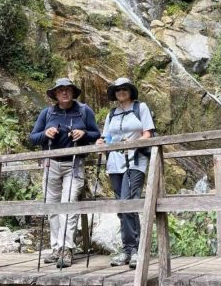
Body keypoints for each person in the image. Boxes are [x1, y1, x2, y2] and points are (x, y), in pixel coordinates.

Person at [29, 77, 100, 268]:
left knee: (68, 205)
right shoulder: (48, 113)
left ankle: (67, 249)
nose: (64, 93)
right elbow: (33, 137)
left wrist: (84, 134)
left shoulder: (84, 111)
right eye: (60, 90)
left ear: (73, 92)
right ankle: (56, 248)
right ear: (55, 94)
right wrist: (46, 134)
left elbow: (96, 135)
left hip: (74, 165)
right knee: (52, 207)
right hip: (51, 164)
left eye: (68, 89)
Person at [96, 77, 155, 269]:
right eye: (117, 89)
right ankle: (128, 249)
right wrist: (100, 142)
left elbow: (148, 133)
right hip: (114, 163)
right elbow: (105, 137)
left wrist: (133, 144)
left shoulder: (141, 108)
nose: (121, 91)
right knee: (121, 207)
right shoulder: (111, 114)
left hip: (135, 161)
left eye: (124, 88)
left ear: (130, 91)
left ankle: (136, 250)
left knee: (128, 202)